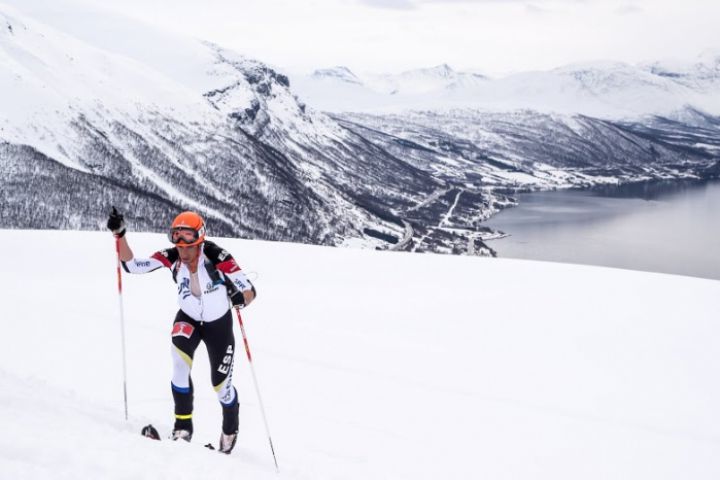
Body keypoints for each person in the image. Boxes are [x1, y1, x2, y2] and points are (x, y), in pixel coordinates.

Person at [107, 207, 256, 454]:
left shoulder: (217, 255)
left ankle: (229, 432)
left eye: (189, 246)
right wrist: (120, 235)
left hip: (218, 325)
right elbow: (132, 266)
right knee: (179, 365)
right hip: (188, 317)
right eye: (179, 245)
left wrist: (241, 296)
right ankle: (182, 428)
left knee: (222, 387)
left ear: (200, 241)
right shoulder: (173, 256)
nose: (183, 252)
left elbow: (249, 290)